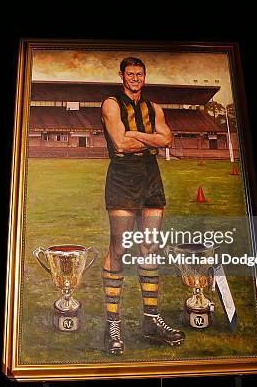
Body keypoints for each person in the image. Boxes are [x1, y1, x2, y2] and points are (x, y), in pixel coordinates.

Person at [100, 57, 184, 355]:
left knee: (150, 247)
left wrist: (136, 135)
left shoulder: (154, 108)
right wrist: (153, 141)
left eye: (140, 74)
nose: (135, 78)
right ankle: (112, 326)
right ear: (122, 75)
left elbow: (168, 138)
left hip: (151, 177)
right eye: (130, 73)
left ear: (144, 77)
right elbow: (120, 145)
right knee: (119, 248)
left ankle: (150, 321)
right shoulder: (111, 104)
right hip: (123, 177)